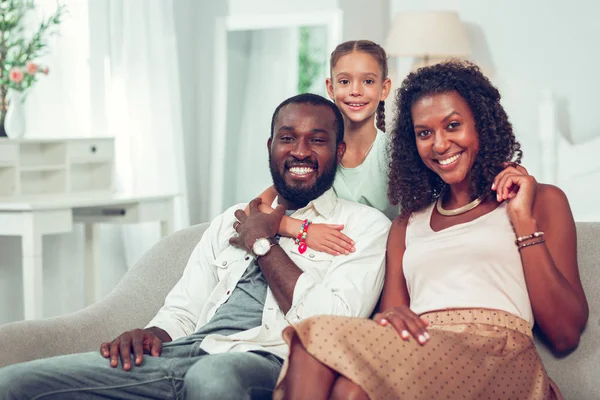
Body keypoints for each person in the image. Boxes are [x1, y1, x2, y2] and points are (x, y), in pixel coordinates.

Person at [0, 93, 391, 399]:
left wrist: (262, 242)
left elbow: (330, 325)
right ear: (270, 145)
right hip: (184, 354)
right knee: (14, 383)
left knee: (213, 376)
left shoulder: (365, 227)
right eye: (288, 138)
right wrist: (152, 333)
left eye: (317, 140)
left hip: (268, 358)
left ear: (339, 152)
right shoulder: (232, 218)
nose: (300, 152)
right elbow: (183, 311)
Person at [274, 61, 589, 400]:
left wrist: (522, 221)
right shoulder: (407, 223)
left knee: (318, 336)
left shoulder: (541, 200)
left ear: (481, 124)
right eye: (425, 133)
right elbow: (394, 316)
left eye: (453, 125)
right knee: (343, 381)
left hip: (498, 358)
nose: (439, 144)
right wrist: (391, 316)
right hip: (423, 352)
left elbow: (565, 333)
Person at [251, 40, 396, 257]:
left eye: (367, 81)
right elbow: (254, 210)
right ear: (331, 88)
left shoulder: (397, 153)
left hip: (380, 261)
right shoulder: (315, 154)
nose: (355, 91)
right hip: (323, 261)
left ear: (384, 89)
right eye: (345, 81)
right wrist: (303, 231)